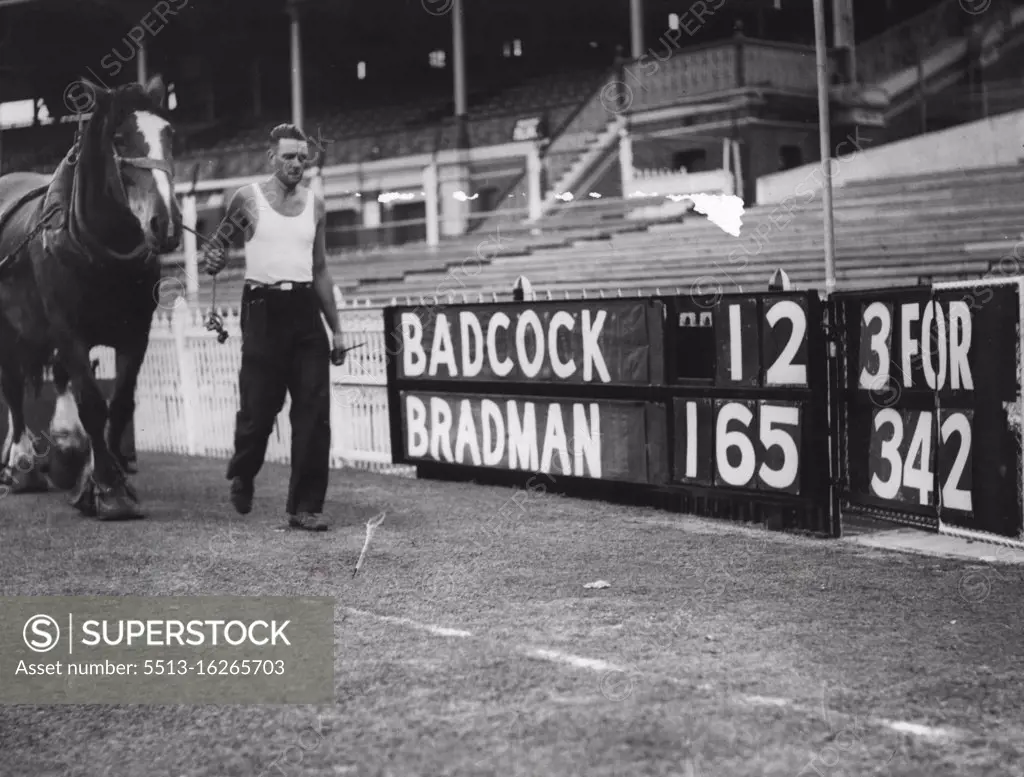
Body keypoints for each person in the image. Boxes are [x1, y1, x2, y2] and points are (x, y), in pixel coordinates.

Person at [203, 123, 345, 531]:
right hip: (262, 309)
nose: (297, 163)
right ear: (271, 158)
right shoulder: (246, 198)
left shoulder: (316, 204)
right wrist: (214, 260)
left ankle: (305, 507)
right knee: (258, 411)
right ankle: (244, 473)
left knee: (314, 414)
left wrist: (337, 330)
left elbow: (320, 270)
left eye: (302, 157)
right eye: (288, 156)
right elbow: (218, 248)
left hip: (305, 311)